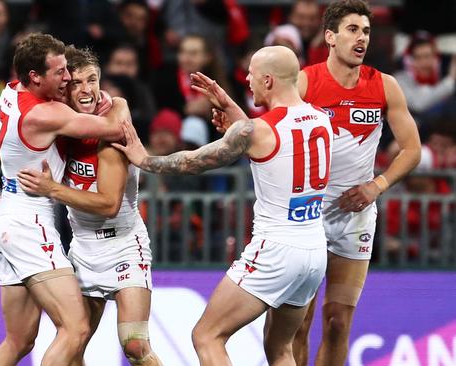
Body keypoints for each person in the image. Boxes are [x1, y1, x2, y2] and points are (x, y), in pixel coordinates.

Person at [114, 45, 333, 366]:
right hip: (313, 251)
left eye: (253, 75)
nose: (247, 79)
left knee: (207, 335)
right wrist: (232, 108)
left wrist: (143, 158)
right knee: (281, 349)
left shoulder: (255, 131)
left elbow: (192, 162)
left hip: (276, 250)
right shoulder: (320, 118)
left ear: (269, 81)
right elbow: (278, 143)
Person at [0, 33, 129, 366]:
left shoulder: (11, 90)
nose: (67, 79)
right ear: (35, 76)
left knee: (18, 340)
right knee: (76, 328)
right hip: (30, 224)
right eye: (60, 73)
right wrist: (116, 103)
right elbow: (115, 130)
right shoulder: (45, 114)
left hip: (6, 219)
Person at [292, 1, 422, 365]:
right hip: (307, 215)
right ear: (330, 37)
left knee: (338, 322)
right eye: (352, 29)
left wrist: (376, 186)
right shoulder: (305, 81)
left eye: (365, 30)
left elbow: (412, 150)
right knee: (298, 322)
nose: (361, 37)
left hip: (356, 216)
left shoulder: (385, 86)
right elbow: (271, 132)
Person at [17, 45, 163, 366]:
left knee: (136, 346)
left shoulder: (110, 132)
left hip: (125, 245)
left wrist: (53, 189)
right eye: (77, 83)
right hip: (82, 249)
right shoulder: (61, 124)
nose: (87, 90)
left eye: (93, 80)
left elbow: (109, 204)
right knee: (72, 344)